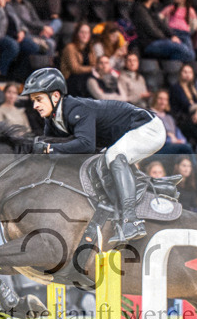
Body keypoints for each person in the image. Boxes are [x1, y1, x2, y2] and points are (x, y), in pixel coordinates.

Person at [22, 67, 166, 244]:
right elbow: (50, 147)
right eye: (33, 100)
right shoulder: (52, 120)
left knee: (113, 156)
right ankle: (151, 191)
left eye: (38, 99)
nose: (34, 105)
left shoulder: (77, 109)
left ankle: (131, 221)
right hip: (124, 135)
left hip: (148, 128)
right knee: (105, 159)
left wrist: (49, 150)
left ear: (56, 96)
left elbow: (85, 145)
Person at [131, 0, 195, 62]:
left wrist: (172, 36)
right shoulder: (140, 10)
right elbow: (151, 30)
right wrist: (167, 39)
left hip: (159, 41)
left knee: (190, 55)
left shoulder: (151, 9)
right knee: (181, 49)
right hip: (149, 44)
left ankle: (170, 66)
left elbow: (162, 25)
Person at [148, 90, 194, 157]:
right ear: (155, 99)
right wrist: (171, 140)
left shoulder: (169, 117)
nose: (163, 102)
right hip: (160, 148)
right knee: (186, 148)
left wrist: (181, 140)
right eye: (160, 99)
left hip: (173, 145)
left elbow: (177, 132)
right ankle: (196, 167)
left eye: (165, 99)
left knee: (186, 147)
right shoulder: (150, 115)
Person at [60, 22, 94, 98]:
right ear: (77, 34)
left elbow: (94, 64)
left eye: (87, 33)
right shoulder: (70, 48)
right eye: (82, 32)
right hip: (71, 79)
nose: (85, 35)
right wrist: (92, 69)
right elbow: (75, 69)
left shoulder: (90, 48)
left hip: (86, 77)